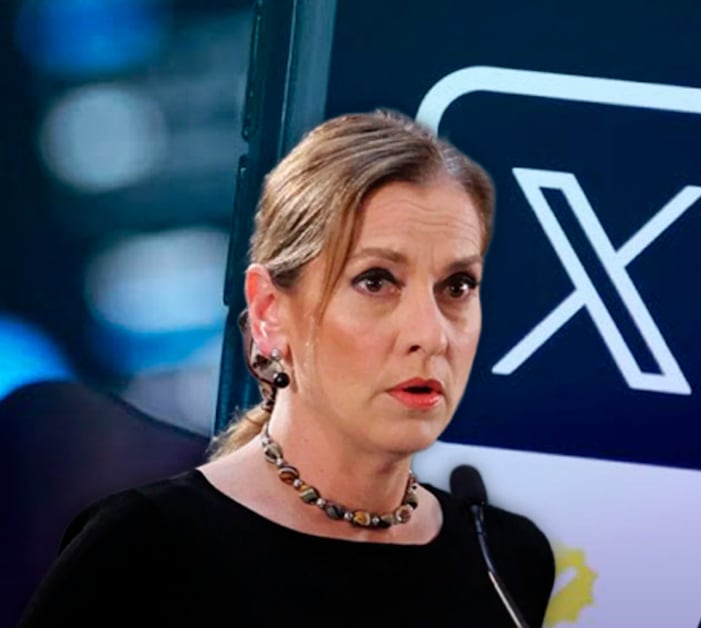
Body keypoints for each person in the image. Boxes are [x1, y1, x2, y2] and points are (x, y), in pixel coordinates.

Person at [19, 110, 555, 627]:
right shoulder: (144, 548)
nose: (431, 334)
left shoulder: (504, 560)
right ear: (270, 311)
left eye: (457, 286)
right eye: (375, 281)